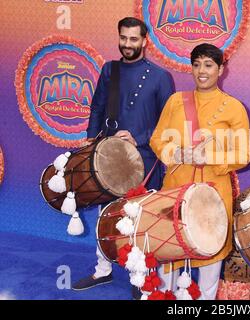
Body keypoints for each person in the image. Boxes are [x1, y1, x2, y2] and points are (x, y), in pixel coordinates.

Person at [71, 17, 174, 299]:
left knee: (137, 219)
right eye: (123, 38)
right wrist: (92, 140)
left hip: (143, 159)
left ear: (144, 41)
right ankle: (102, 269)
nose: (127, 44)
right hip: (107, 156)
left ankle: (139, 276)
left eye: (133, 39)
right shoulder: (110, 70)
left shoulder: (160, 77)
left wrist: (138, 138)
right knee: (105, 214)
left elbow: (169, 123)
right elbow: (97, 107)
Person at [149, 43, 250, 300]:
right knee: (168, 262)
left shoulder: (234, 107)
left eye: (208, 65)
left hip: (213, 197)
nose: (201, 71)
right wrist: (175, 153)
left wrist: (210, 157)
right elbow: (157, 139)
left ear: (221, 69)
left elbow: (244, 155)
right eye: (196, 65)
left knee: (209, 264)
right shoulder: (175, 101)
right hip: (174, 192)